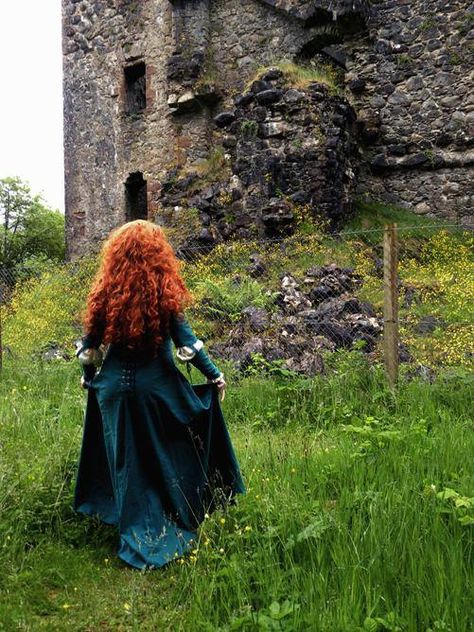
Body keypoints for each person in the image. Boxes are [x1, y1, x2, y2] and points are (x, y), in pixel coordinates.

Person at [73, 219, 246, 569]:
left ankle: (128, 521)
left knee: (125, 460)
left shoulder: (105, 296)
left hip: (113, 393)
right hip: (156, 388)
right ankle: (169, 514)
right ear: (158, 256)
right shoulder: (162, 295)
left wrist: (89, 378)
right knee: (167, 450)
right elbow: (188, 342)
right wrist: (215, 376)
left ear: (115, 257)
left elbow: (89, 348)